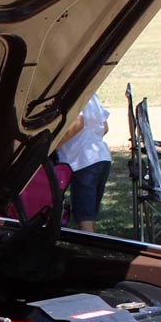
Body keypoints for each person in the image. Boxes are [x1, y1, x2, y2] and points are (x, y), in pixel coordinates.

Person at [56, 93, 111, 232]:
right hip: (102, 157)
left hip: (83, 161)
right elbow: (105, 127)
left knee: (84, 218)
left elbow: (78, 123)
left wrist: (53, 146)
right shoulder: (91, 94)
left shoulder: (72, 94)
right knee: (89, 214)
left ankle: (86, 250)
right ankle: (93, 244)